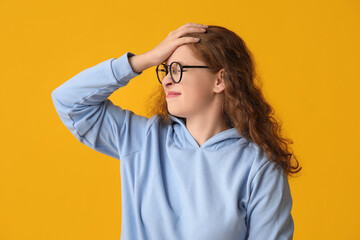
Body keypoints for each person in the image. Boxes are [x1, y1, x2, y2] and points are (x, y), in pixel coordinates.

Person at [51, 22, 301, 240]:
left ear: (219, 80)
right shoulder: (144, 139)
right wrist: (143, 60)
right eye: (165, 69)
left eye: (178, 70)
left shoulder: (258, 167)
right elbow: (69, 101)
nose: (167, 80)